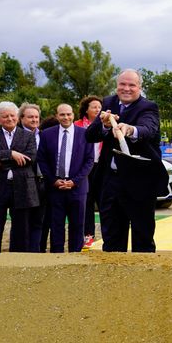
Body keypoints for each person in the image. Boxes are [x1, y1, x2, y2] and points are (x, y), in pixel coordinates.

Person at [86, 69, 169, 252]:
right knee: (112, 237)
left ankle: (142, 277)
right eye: (122, 84)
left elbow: (149, 130)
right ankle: (113, 276)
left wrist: (130, 129)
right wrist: (105, 125)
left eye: (132, 85)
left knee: (142, 236)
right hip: (111, 181)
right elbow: (90, 135)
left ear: (139, 87)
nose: (126, 88)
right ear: (116, 86)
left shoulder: (148, 107)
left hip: (140, 181)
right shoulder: (108, 103)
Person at [37, 103, 94, 252]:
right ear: (57, 116)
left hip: (78, 188)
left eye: (68, 114)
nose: (66, 117)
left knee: (77, 225)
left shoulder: (85, 134)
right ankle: (57, 255)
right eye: (62, 114)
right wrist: (53, 181)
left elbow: (89, 160)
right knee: (56, 225)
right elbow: (42, 160)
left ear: (73, 115)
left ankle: (75, 255)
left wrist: (74, 181)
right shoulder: (47, 134)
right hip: (55, 187)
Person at [0, 101, 39, 252]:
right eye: (5, 116)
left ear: (18, 117)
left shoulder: (27, 136)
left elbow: (30, 158)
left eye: (12, 115)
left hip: (22, 187)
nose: (9, 119)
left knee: (21, 230)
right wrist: (11, 154)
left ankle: (18, 261)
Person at [76, 95, 103, 248]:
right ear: (86, 110)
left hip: (101, 166)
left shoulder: (105, 124)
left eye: (99, 107)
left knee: (103, 201)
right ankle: (88, 235)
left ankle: (108, 235)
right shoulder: (78, 125)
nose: (97, 110)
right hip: (84, 167)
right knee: (87, 202)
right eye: (94, 107)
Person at [18, 103, 47, 252]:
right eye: (30, 117)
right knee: (22, 223)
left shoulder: (45, 134)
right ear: (21, 118)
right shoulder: (16, 135)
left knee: (39, 221)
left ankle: (36, 252)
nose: (34, 120)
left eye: (36, 117)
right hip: (22, 184)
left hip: (42, 183)